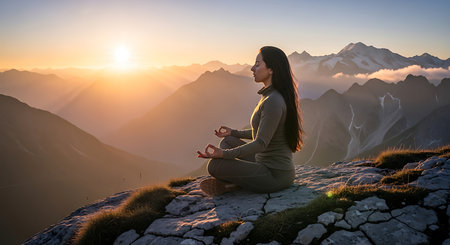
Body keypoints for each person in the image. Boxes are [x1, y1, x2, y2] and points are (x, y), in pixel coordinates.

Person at [197, 46, 304, 196]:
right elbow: (263, 132)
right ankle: (240, 181)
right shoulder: (270, 96)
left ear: (271, 70)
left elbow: (261, 142)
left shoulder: (273, 100)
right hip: (262, 162)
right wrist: (233, 132)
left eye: (258, 64)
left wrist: (224, 155)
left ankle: (233, 185)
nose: (252, 68)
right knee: (228, 140)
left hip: (275, 175)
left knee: (214, 165)